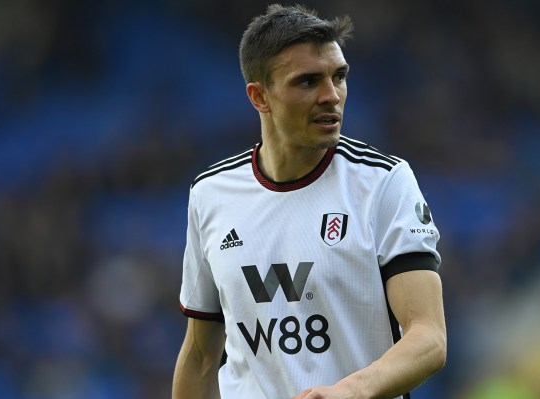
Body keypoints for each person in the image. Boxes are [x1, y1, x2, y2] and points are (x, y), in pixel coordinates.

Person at [172, 4, 446, 399]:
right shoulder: (210, 194)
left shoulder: (383, 183)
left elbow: (429, 338)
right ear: (259, 97)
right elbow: (200, 356)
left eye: (339, 77)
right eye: (307, 82)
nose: (331, 96)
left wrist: (348, 392)